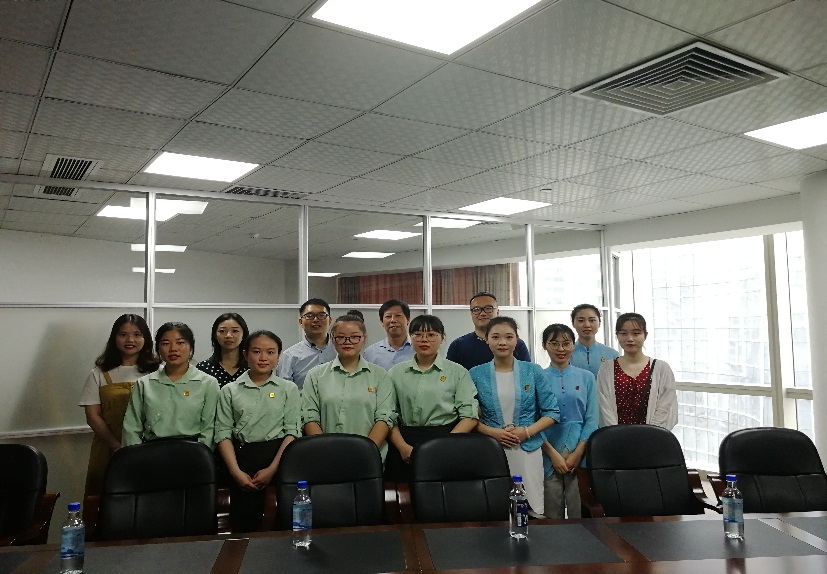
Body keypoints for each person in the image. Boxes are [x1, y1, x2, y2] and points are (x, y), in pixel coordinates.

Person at [470, 316, 559, 517]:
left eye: (509, 337)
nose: (502, 342)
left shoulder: (533, 371)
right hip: (492, 449)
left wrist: (526, 432)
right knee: (495, 508)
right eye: (496, 337)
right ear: (486, 339)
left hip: (528, 449)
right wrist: (494, 433)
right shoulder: (475, 374)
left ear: (517, 339)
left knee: (531, 509)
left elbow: (552, 412)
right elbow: (469, 417)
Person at [215, 330, 300, 532]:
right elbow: (223, 433)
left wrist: (272, 469)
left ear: (278, 356)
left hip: (280, 457)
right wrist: (236, 472)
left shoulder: (289, 389)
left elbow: (292, 431)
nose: (263, 358)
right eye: (256, 351)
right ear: (245, 354)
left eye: (270, 352)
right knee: (244, 525)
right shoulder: (229, 390)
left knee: (281, 521)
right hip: (241, 459)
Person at [386, 314, 478, 482]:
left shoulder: (458, 372)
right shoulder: (395, 373)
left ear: (442, 338)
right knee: (404, 493)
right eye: (418, 334)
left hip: (447, 439)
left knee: (444, 492)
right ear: (410, 337)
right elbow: (388, 416)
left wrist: (444, 445)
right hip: (405, 442)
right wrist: (402, 447)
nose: (424, 340)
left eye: (431, 335)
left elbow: (470, 417)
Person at [78, 314, 160, 496]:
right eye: (123, 334)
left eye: (137, 334)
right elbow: (93, 416)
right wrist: (116, 446)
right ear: (114, 338)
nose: (130, 340)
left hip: (150, 448)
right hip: (109, 447)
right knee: (106, 498)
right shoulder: (99, 373)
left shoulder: (158, 371)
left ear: (145, 339)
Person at [301, 313, 396, 460]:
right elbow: (309, 417)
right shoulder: (316, 375)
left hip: (368, 458)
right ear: (333, 339)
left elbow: (384, 418)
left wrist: (365, 453)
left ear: (364, 338)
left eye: (355, 337)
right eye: (341, 337)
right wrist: (326, 451)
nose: (348, 342)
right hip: (325, 456)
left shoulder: (380, 375)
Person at [122, 322, 220, 448]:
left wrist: (200, 455)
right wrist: (137, 456)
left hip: (193, 451)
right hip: (151, 451)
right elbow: (131, 427)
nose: (173, 348)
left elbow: (209, 429)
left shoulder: (208, 383)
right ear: (158, 349)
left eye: (180, 342)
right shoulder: (144, 384)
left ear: (191, 347)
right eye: (165, 343)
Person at [540, 323, 598, 519]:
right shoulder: (539, 378)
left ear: (574, 345)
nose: (561, 349)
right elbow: (532, 419)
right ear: (544, 345)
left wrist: (578, 452)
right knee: (551, 513)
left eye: (566, 343)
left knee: (579, 512)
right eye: (554, 343)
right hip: (547, 451)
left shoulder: (587, 378)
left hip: (580, 451)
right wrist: (552, 454)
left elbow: (592, 419)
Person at [597, 312, 677, 429]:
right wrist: (616, 433)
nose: (630, 339)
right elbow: (604, 406)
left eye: (636, 333)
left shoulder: (661, 368)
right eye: (623, 333)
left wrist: (650, 433)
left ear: (645, 335)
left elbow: (666, 404)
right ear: (617, 335)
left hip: (653, 435)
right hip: (616, 436)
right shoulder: (606, 369)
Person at [447, 292, 531, 370]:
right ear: (471, 314)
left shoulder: (515, 344)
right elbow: (450, 376)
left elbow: (527, 373)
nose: (482, 313)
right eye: (476, 309)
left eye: (488, 308)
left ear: (497, 312)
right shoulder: (458, 345)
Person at [276, 298, 336, 390]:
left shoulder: (340, 350)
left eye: (321, 315)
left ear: (330, 320)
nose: (316, 319)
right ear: (301, 322)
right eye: (309, 316)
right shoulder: (289, 356)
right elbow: (284, 390)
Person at [196, 313, 249, 388]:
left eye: (235, 331)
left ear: (243, 334)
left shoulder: (252, 367)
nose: (228, 335)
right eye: (222, 331)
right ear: (215, 335)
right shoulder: (203, 368)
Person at [363, 299, 415, 370]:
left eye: (398, 315)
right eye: (388, 316)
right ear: (382, 322)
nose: (393, 320)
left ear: (408, 319)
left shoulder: (419, 349)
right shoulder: (370, 353)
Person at [570, 304, 619, 377]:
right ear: (573, 323)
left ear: (599, 323)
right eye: (581, 320)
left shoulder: (612, 355)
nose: (587, 325)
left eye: (592, 320)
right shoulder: (566, 354)